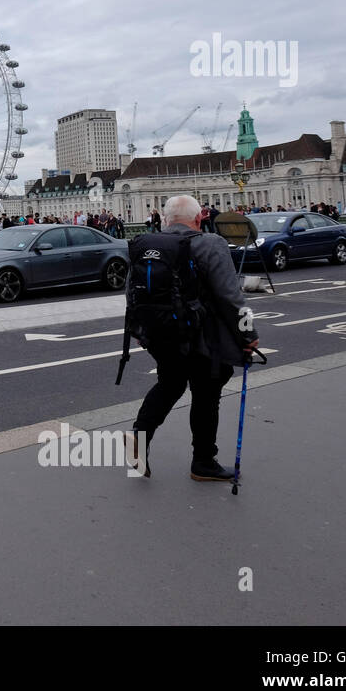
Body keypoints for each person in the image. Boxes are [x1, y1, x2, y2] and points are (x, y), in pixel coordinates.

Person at [124, 195, 259, 481]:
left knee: (169, 383)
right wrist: (249, 333)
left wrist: (142, 329)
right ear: (200, 219)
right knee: (207, 393)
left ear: (165, 218)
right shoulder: (210, 243)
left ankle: (138, 438)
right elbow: (231, 296)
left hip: (159, 333)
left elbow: (131, 292)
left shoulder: (147, 245)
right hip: (202, 337)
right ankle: (203, 462)